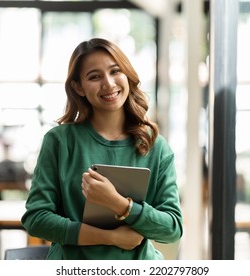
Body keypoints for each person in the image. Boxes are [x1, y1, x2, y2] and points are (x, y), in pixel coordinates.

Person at [21, 38, 183, 260]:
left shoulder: (157, 147)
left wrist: (119, 204)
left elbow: (172, 229)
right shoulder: (59, 142)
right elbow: (36, 219)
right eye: (94, 76)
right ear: (78, 87)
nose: (108, 84)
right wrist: (110, 237)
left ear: (126, 74)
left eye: (115, 71)